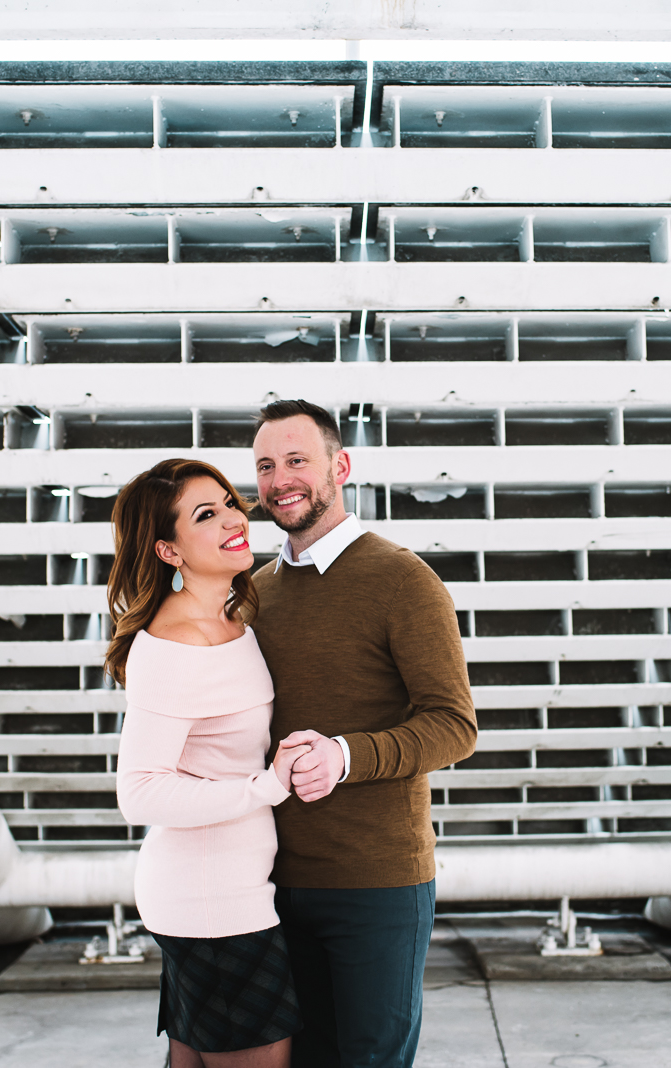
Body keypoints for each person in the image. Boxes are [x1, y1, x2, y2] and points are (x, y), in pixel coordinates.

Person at [250, 400, 478, 1068]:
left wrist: (345, 756)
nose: (279, 479)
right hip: (272, 881)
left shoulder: (402, 579)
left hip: (375, 885)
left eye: (297, 460)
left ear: (340, 466)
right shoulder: (255, 593)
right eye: (265, 465)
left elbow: (454, 724)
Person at [110, 457, 310, 1068]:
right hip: (211, 901)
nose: (233, 519)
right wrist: (266, 786)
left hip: (228, 891)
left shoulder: (230, 619)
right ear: (168, 551)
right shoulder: (175, 644)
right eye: (206, 514)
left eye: (228, 502)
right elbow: (139, 793)